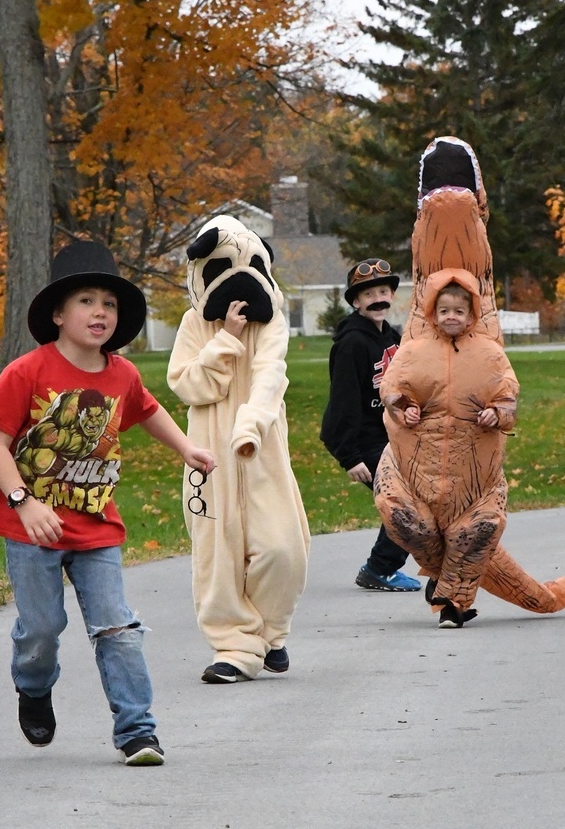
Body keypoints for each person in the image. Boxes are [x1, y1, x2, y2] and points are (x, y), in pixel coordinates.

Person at [0, 240, 215, 764]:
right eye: (86, 301)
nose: (100, 312)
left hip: (95, 526)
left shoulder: (121, 374)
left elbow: (148, 410)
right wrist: (23, 501)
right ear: (59, 314)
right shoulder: (26, 372)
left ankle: (138, 732)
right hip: (31, 528)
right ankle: (34, 688)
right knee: (41, 631)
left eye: (108, 304)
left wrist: (187, 449)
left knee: (118, 628)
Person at [167, 215, 310, 684]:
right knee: (217, 551)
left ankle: (270, 633)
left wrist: (250, 428)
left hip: (262, 447)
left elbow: (272, 376)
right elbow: (189, 385)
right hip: (208, 455)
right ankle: (235, 646)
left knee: (282, 548)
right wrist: (225, 339)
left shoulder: (273, 325)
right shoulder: (194, 325)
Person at [376, 267, 518, 628]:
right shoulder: (414, 352)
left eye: (458, 311)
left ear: (472, 314)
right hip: (417, 470)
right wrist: (403, 406)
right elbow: (393, 389)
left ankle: (452, 604)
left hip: (474, 474)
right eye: (443, 311)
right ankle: (446, 578)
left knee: (477, 528)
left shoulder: (490, 354)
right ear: (432, 314)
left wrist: (496, 413)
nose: (451, 317)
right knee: (406, 521)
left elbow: (508, 397)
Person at [320, 258, 420, 593]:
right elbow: (342, 405)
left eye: (383, 291)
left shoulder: (391, 336)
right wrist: (349, 456)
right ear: (356, 302)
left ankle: (383, 566)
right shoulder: (351, 344)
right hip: (364, 443)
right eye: (368, 294)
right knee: (406, 500)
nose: (377, 299)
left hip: (391, 437)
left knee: (416, 496)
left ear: (392, 295)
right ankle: (379, 569)